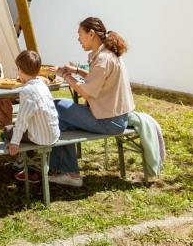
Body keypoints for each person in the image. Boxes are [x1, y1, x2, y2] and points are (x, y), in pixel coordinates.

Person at [49, 17, 135, 188]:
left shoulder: (103, 59)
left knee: (56, 106)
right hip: (116, 117)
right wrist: (77, 71)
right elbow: (97, 79)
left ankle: (67, 172)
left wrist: (64, 74)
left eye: (80, 34)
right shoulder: (108, 54)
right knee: (62, 121)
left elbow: (86, 92)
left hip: (109, 121)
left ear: (91, 33)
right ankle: (66, 172)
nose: (78, 39)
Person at [4, 49, 60, 182]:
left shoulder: (27, 91)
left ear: (19, 69)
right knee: (26, 127)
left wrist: (14, 143)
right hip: (54, 134)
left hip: (40, 138)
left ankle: (26, 164)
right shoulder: (42, 85)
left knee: (7, 130)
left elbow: (22, 121)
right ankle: (32, 165)